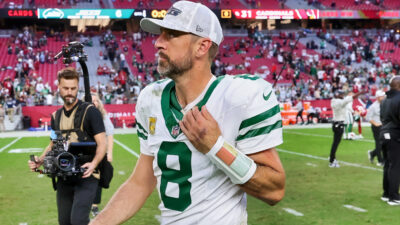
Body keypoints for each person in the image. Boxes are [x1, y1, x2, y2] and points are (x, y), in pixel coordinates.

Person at [90, 1, 286, 224]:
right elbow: (140, 183)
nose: (158, 43)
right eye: (160, 34)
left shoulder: (239, 97)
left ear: (202, 47)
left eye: (171, 35)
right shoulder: (150, 99)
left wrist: (216, 147)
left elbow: (274, 190)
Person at [28, 67, 106, 224]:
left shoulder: (90, 112)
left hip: (87, 175)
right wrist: (40, 160)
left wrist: (94, 163)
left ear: (78, 87)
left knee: (78, 220)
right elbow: (53, 144)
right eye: (66, 88)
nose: (70, 92)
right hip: (64, 176)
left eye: (73, 88)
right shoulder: (55, 116)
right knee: (64, 222)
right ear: (58, 87)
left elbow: (102, 144)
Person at [90, 93, 114, 217]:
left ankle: (94, 206)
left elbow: (109, 135)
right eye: (91, 100)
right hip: (85, 153)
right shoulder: (82, 115)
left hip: (99, 153)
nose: (94, 103)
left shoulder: (103, 116)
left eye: (96, 101)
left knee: (99, 178)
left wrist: (109, 153)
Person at [329, 90, 363, 168]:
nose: (342, 95)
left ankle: (332, 157)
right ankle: (332, 160)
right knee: (336, 144)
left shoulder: (333, 100)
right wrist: (360, 93)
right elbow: (350, 98)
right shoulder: (340, 102)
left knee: (335, 143)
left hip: (335, 124)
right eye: (341, 94)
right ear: (337, 95)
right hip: (339, 124)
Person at [380, 76, 400, 205]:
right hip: (394, 134)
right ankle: (393, 196)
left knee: (388, 164)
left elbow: (382, 118)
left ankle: (386, 193)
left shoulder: (384, 100)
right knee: (395, 166)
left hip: (384, 133)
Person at [366, 90, 385, 166]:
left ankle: (372, 153)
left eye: (384, 96)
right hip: (377, 127)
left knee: (384, 143)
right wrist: (375, 123)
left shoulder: (386, 104)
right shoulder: (373, 106)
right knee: (379, 143)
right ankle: (380, 161)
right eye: (382, 96)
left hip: (385, 126)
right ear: (377, 97)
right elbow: (368, 117)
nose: (384, 97)